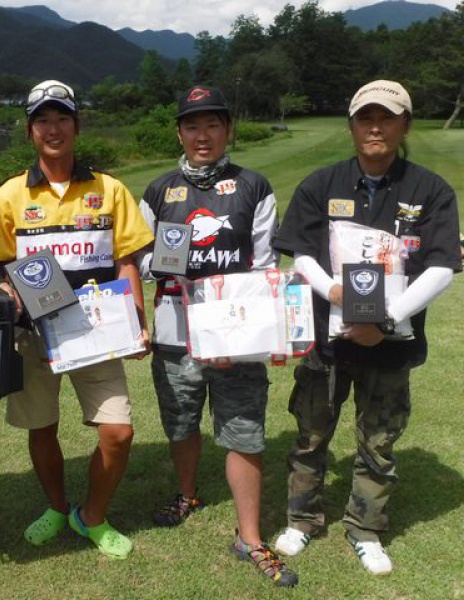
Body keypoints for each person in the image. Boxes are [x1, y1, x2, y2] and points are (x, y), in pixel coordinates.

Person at [272, 80, 461, 574]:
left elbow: (441, 266)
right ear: (352, 124)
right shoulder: (321, 184)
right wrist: (332, 292)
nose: (375, 126)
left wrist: (384, 321)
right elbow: (303, 253)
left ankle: (366, 527)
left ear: (405, 124)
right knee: (311, 434)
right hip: (326, 339)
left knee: (378, 440)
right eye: (365, 117)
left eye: (388, 117)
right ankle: (302, 519)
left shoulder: (430, 190)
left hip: (390, 345)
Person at [137, 85, 297, 587]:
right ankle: (189, 493)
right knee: (181, 420)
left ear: (228, 129)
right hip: (174, 330)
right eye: (191, 126)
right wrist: (167, 262)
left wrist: (238, 333)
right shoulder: (159, 191)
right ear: (179, 133)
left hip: (237, 329)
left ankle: (250, 537)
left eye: (212, 125)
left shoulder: (254, 185)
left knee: (243, 428)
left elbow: (266, 263)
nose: (201, 135)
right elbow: (140, 258)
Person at [0, 80, 153, 560]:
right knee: (42, 428)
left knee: (118, 432)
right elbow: (2, 267)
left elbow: (126, 259)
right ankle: (59, 507)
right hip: (36, 337)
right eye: (43, 119)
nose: (53, 128)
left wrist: (137, 322)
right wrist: (9, 293)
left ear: (76, 126)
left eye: (62, 118)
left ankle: (92, 515)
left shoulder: (111, 189)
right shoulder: (7, 196)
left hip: (99, 333)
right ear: (30, 130)